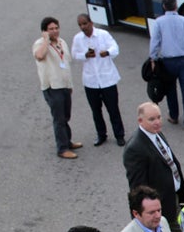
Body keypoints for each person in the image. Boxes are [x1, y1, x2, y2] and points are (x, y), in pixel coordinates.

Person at [123, 102, 184, 232]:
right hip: (163, 208)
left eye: (159, 117)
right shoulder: (135, 148)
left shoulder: (156, 134)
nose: (157, 122)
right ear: (140, 121)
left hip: (174, 199)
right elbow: (137, 188)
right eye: (152, 119)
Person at [147, 0, 184, 132]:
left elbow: (155, 42)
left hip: (168, 62)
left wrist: (153, 58)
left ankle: (173, 116)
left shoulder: (159, 22)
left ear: (163, 7)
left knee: (170, 89)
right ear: (176, 6)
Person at [72, 13, 126, 147]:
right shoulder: (78, 39)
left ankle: (119, 135)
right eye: (80, 25)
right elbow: (74, 54)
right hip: (91, 81)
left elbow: (115, 48)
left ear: (91, 23)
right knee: (96, 110)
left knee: (113, 109)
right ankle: (101, 135)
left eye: (84, 23)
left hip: (107, 79)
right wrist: (85, 55)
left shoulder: (103, 34)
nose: (83, 27)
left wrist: (107, 52)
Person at [33, 16, 82, 160]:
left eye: (56, 28)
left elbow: (66, 64)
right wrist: (46, 41)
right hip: (52, 87)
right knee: (59, 118)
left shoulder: (62, 42)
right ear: (44, 31)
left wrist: (70, 85)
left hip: (64, 85)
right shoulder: (40, 44)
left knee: (66, 116)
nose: (55, 31)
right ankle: (62, 148)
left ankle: (68, 141)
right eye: (51, 29)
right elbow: (40, 56)